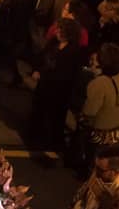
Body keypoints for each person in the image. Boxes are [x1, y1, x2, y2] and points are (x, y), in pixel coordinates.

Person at [31, 18, 86, 151]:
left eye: (61, 29)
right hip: (45, 85)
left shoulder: (74, 51)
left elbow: (70, 73)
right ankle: (37, 136)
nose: (58, 32)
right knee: (40, 111)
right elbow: (42, 58)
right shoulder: (53, 44)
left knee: (55, 117)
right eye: (58, 28)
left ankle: (52, 142)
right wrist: (38, 70)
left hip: (60, 90)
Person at [74, 43, 119, 172]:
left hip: (100, 127)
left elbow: (90, 111)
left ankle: (86, 170)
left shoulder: (99, 83)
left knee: (91, 152)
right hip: (116, 122)